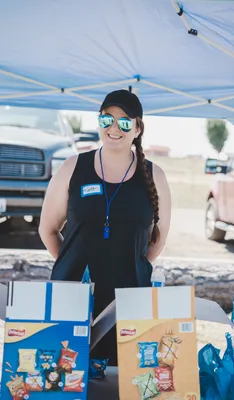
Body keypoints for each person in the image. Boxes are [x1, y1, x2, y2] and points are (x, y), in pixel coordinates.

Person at [39, 89, 171, 365]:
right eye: (106, 119)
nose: (114, 128)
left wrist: (129, 269)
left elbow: (157, 242)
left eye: (124, 122)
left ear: (137, 128)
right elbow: (48, 229)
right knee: (65, 378)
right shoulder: (73, 167)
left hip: (126, 304)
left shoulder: (154, 176)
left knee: (118, 382)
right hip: (72, 299)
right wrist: (71, 265)